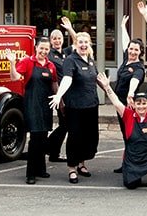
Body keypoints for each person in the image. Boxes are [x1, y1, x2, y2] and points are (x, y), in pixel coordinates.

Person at [49, 32, 101, 183]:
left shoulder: (90, 60)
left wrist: (110, 92)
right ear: (76, 44)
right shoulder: (71, 60)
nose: (83, 45)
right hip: (75, 107)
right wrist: (59, 95)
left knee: (90, 137)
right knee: (75, 137)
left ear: (89, 44)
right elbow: (67, 78)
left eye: (86, 42)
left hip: (91, 105)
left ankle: (81, 163)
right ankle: (72, 168)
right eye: (80, 42)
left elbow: (96, 78)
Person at [6, 37, 57, 184]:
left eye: (46, 49)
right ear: (36, 47)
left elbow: (54, 83)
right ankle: (31, 173)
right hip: (32, 105)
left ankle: (41, 169)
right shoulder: (28, 62)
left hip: (46, 105)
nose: (44, 51)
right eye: (41, 48)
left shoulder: (51, 65)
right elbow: (14, 77)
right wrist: (12, 62)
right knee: (35, 139)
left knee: (43, 137)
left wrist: (59, 99)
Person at [112, 15, 146, 173]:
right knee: (125, 134)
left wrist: (131, 94)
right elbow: (126, 42)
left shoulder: (139, 68)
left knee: (131, 135)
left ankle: (133, 164)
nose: (132, 51)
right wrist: (122, 27)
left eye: (135, 50)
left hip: (129, 105)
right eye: (131, 49)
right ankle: (127, 162)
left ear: (140, 52)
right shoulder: (127, 59)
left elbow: (134, 81)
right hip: (119, 103)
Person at [46, 16, 78, 163]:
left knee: (65, 125)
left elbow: (78, 42)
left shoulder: (66, 52)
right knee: (65, 124)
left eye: (59, 38)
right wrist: (59, 96)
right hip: (60, 94)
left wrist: (70, 28)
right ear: (51, 41)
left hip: (72, 93)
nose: (57, 41)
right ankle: (50, 149)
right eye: (54, 39)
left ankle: (52, 151)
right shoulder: (50, 56)